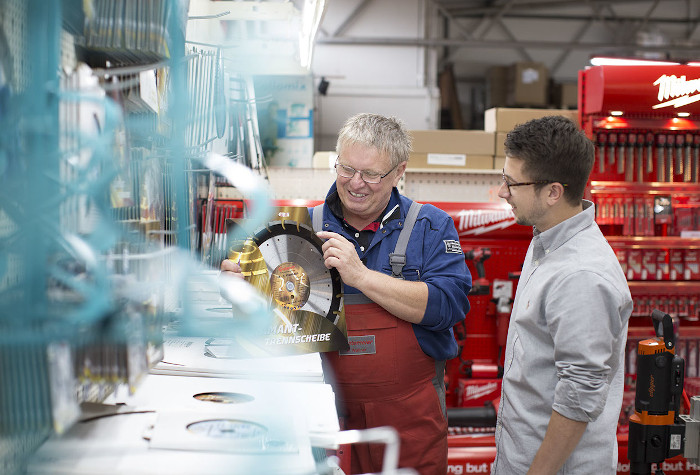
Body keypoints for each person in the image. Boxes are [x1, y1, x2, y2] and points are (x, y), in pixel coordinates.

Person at [222, 113, 472, 474]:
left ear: (399, 172)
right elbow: (267, 332)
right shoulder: (299, 228)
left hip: (408, 421)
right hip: (323, 415)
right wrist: (244, 295)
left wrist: (361, 276)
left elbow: (449, 306)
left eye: (371, 174)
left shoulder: (430, 226)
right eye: (346, 169)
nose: (356, 183)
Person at [491, 115, 633, 474]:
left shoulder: (581, 275)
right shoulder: (548, 239)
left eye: (512, 182)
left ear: (553, 192)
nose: (502, 192)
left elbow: (580, 394)